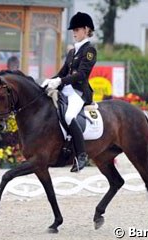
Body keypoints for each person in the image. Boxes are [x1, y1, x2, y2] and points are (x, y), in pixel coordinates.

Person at [41, 12, 97, 172]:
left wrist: (60, 81)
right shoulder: (72, 52)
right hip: (66, 89)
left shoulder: (90, 50)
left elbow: (81, 74)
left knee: (69, 116)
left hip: (79, 92)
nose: (73, 32)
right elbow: (63, 72)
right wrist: (50, 80)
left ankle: (81, 155)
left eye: (77, 29)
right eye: (73, 30)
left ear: (86, 30)